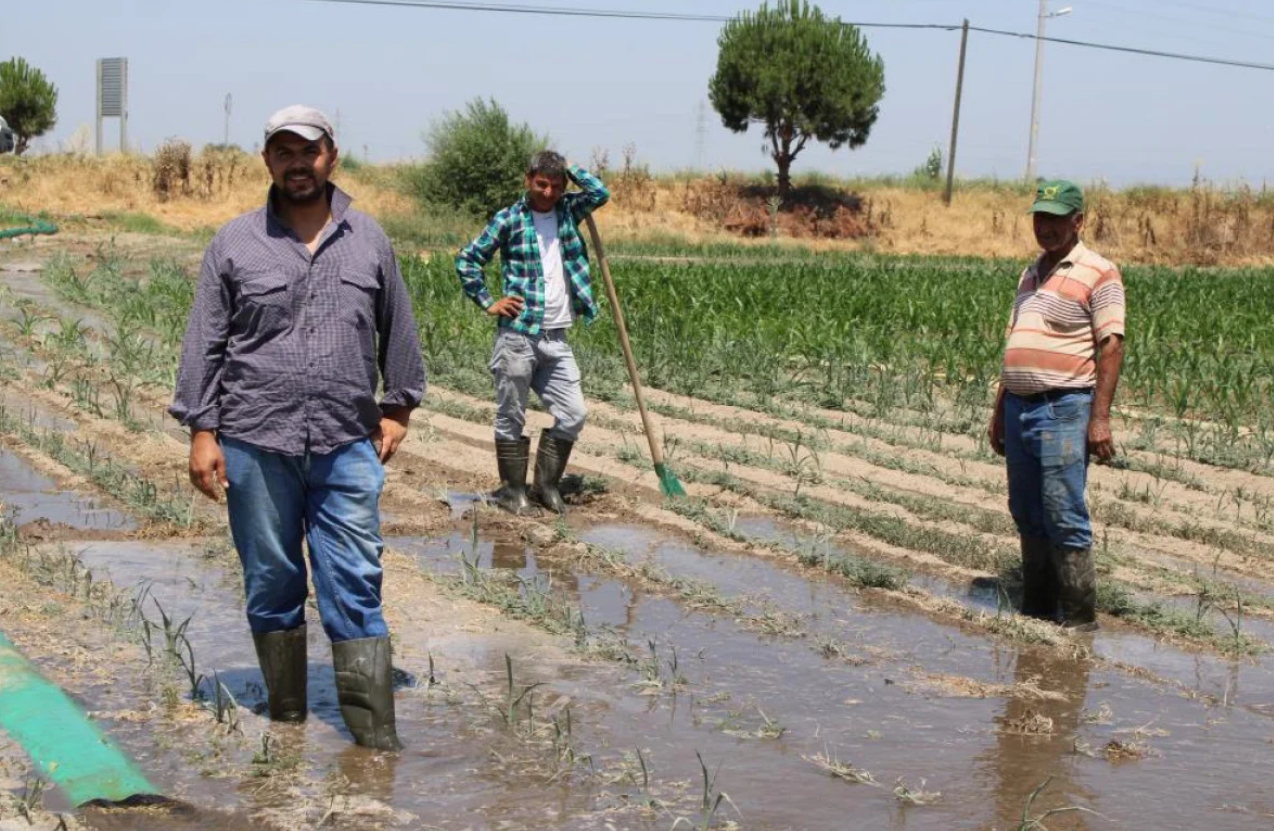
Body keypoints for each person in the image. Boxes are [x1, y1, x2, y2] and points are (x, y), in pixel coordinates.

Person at [170, 105, 426, 750]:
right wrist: (202, 431)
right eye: (283, 151)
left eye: (307, 150)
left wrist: (398, 407)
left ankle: (374, 744)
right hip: (256, 440)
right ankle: (286, 723)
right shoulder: (234, 243)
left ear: (331, 156)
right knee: (272, 581)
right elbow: (204, 343)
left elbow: (399, 325)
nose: (297, 162)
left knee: (356, 582)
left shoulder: (369, 239)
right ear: (267, 161)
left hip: (346, 442)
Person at [989, 180, 1125, 631]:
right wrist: (999, 411)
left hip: (1064, 406)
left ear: (1078, 221)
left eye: (1055, 218)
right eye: (1039, 217)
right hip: (1019, 407)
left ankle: (1080, 619)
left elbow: (1111, 346)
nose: (1044, 227)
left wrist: (1099, 419)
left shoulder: (1098, 271)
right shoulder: (1029, 274)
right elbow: (1017, 344)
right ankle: (1038, 609)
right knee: (1026, 509)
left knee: (1063, 510)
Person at [455, 151, 609, 515]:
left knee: (574, 413)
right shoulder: (508, 219)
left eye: (556, 185)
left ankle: (545, 486)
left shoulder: (569, 210)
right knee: (512, 414)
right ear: (528, 179)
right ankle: (512, 491)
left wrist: (568, 166)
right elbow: (468, 259)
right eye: (542, 183)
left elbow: (600, 192)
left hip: (556, 337)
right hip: (518, 337)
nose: (548, 192)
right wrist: (489, 302)